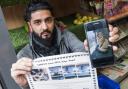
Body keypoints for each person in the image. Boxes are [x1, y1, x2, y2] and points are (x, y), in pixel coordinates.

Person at [10, 1, 119, 89]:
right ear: (30, 25)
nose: (44, 27)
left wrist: (93, 51)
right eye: (37, 22)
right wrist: (24, 85)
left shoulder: (66, 36)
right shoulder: (23, 55)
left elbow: (82, 51)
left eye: (48, 20)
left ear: (53, 20)